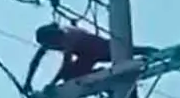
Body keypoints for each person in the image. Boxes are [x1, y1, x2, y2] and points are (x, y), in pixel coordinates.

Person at [23, 23, 160, 94]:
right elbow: (35, 61)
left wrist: (53, 83)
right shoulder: (51, 42)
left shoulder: (66, 37)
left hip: (96, 47)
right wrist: (28, 82)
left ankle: (151, 51)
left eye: (49, 43)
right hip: (86, 55)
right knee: (70, 76)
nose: (50, 46)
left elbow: (66, 64)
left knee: (125, 51)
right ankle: (94, 75)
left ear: (52, 36)